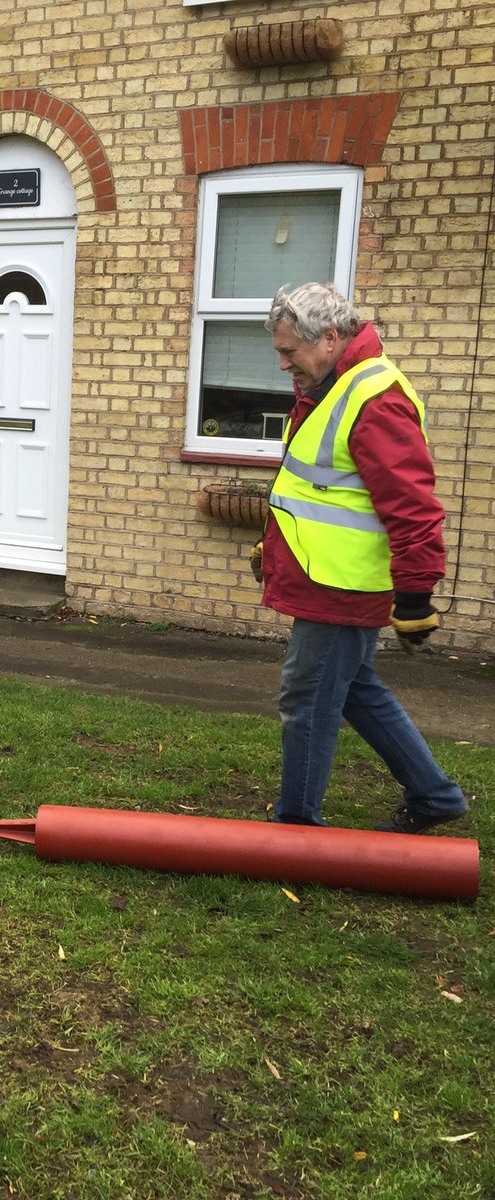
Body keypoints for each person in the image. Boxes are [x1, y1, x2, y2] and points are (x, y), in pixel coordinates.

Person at [253, 282, 469, 834]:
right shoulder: (331, 385)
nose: (283, 364)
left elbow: (413, 506)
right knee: (353, 688)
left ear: (328, 338)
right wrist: (275, 543)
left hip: (342, 584)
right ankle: (435, 795)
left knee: (307, 698)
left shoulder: (375, 398)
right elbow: (318, 487)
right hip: (327, 575)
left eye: (289, 351)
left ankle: (296, 826)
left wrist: (416, 594)